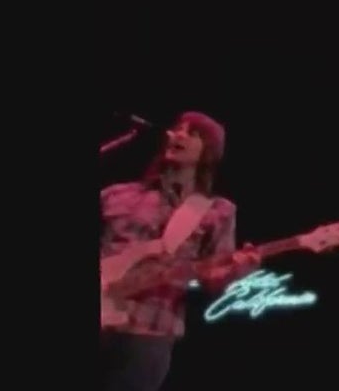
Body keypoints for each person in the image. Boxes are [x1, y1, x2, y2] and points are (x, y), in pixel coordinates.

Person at [99, 111, 261, 391]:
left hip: (148, 334)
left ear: (208, 153)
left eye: (193, 133)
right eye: (178, 129)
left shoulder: (217, 211)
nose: (179, 134)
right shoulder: (114, 195)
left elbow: (213, 279)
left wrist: (235, 272)